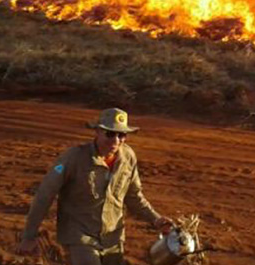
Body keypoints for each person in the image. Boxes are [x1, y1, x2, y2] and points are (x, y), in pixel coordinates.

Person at [16, 108, 173, 265]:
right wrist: (29, 236)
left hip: (113, 237)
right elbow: (45, 195)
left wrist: (156, 219)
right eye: (110, 134)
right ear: (97, 132)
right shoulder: (74, 158)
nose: (116, 140)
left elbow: (134, 196)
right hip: (80, 235)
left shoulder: (128, 157)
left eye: (122, 135)